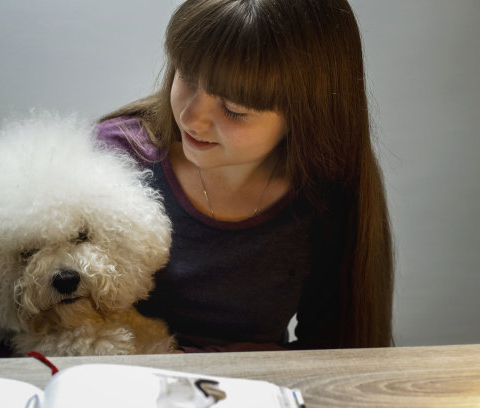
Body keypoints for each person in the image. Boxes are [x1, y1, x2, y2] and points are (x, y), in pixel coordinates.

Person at [95, 0, 393, 352]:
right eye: (187, 77)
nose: (193, 118)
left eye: (234, 109)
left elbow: (336, 350)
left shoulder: (325, 196)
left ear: (306, 116)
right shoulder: (113, 159)